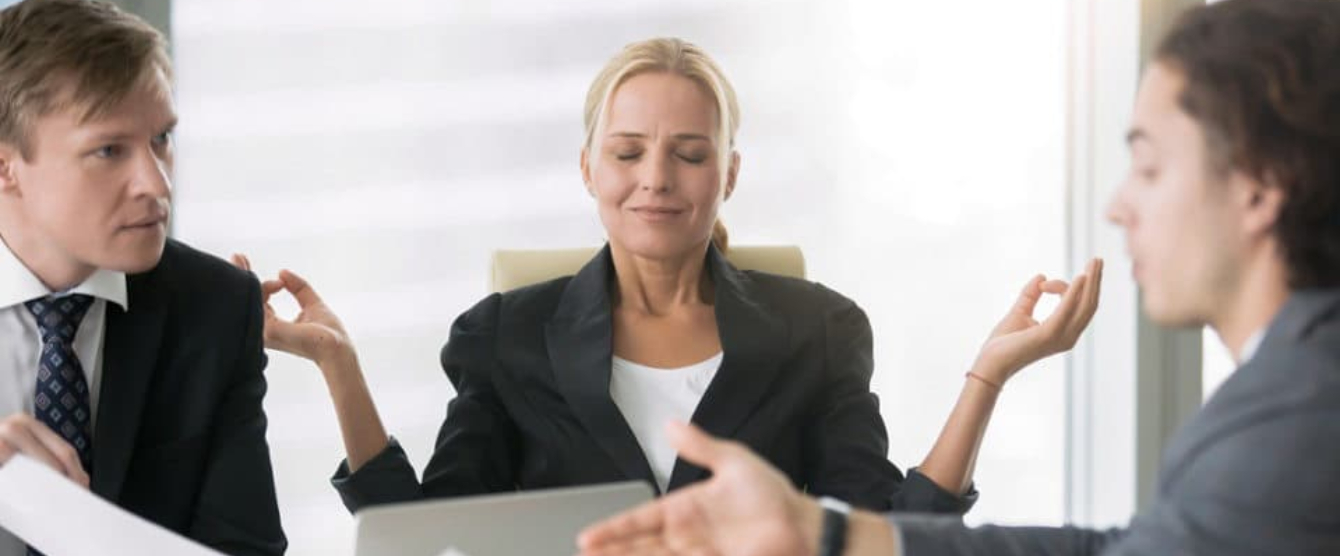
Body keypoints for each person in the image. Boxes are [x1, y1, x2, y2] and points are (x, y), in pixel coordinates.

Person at [577, 0, 1340, 554]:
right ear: (588, 168)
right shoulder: (1283, 394)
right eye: (626, 151)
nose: (1116, 205)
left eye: (1148, 166)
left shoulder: (1291, 426)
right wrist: (822, 532)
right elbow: (1131, 545)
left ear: (1259, 187)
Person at [239, 37, 1100, 515]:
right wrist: (340, 367)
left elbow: (884, 539)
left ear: (727, 175)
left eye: (689, 155)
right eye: (628, 152)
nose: (655, 177)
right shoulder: (502, 336)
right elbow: (430, 542)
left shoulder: (820, 329)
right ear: (588, 168)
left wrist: (989, 375)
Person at [0, 1, 286, 554]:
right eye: (109, 150)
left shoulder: (216, 309)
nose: (156, 185)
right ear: (6, 167)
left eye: (162, 140)